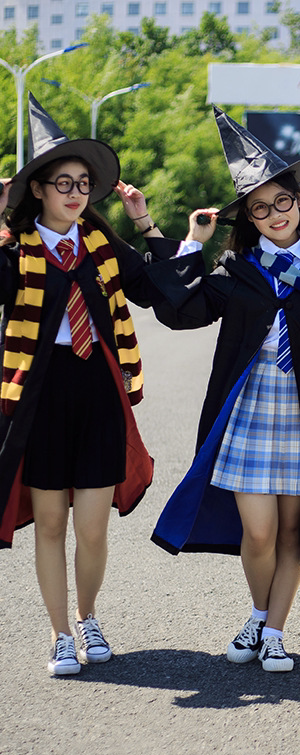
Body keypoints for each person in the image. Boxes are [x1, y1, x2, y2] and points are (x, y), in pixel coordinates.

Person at [149, 108, 300, 672]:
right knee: (259, 532)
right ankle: (259, 614)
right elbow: (181, 311)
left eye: (281, 201)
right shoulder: (237, 269)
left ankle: (274, 631)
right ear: (249, 217)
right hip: (251, 408)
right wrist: (190, 243)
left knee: (293, 531)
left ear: (299, 202)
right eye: (260, 208)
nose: (274, 214)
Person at [0, 94, 179, 676]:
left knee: (93, 529)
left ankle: (88, 616)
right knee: (51, 523)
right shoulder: (17, 252)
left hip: (99, 393)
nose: (75, 193)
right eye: (63, 183)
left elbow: (158, 288)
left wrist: (144, 221)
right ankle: (59, 634)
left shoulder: (101, 247)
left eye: (82, 183)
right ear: (37, 190)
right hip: (42, 399)